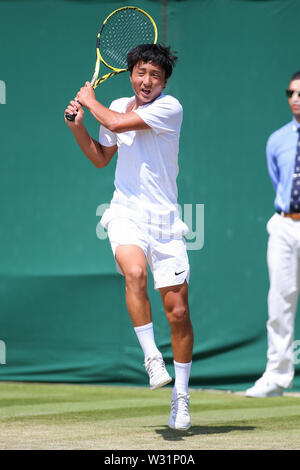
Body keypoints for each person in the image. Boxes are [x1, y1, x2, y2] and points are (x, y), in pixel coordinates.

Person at [65, 44, 194, 429]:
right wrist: (78, 127)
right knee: (134, 274)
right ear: (131, 74)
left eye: (155, 75)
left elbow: (120, 125)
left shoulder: (171, 109)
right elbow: (101, 157)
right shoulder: (118, 104)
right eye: (141, 72)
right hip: (125, 213)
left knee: (179, 313)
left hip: (166, 223)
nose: (147, 81)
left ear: (164, 82)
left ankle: (181, 396)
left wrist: (89, 100)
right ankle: (152, 358)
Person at [246, 71, 300, 398]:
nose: (296, 98)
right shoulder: (276, 140)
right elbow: (277, 180)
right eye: (291, 93)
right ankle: (277, 377)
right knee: (279, 301)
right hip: (284, 224)